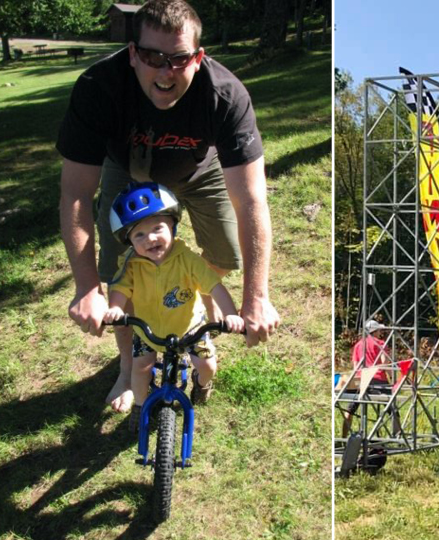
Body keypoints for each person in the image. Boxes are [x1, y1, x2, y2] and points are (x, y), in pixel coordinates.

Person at [57, 0, 280, 414]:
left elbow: (251, 198)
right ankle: (128, 366)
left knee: (226, 255)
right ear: (132, 53)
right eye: (152, 57)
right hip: (127, 168)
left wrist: (256, 297)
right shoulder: (99, 87)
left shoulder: (225, 94)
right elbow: (75, 193)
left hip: (201, 167)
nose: (165, 72)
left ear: (199, 57)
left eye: (178, 59)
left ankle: (190, 315)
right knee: (119, 273)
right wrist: (87, 287)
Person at [101, 183, 245, 431]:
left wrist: (230, 313)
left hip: (189, 327)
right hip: (147, 329)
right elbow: (120, 287)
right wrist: (115, 308)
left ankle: (202, 385)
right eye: (139, 235)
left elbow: (214, 285)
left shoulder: (187, 258)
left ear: (172, 225)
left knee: (207, 366)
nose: (151, 239)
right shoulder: (131, 264)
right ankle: (141, 406)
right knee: (140, 372)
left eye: (158, 228)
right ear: (129, 241)